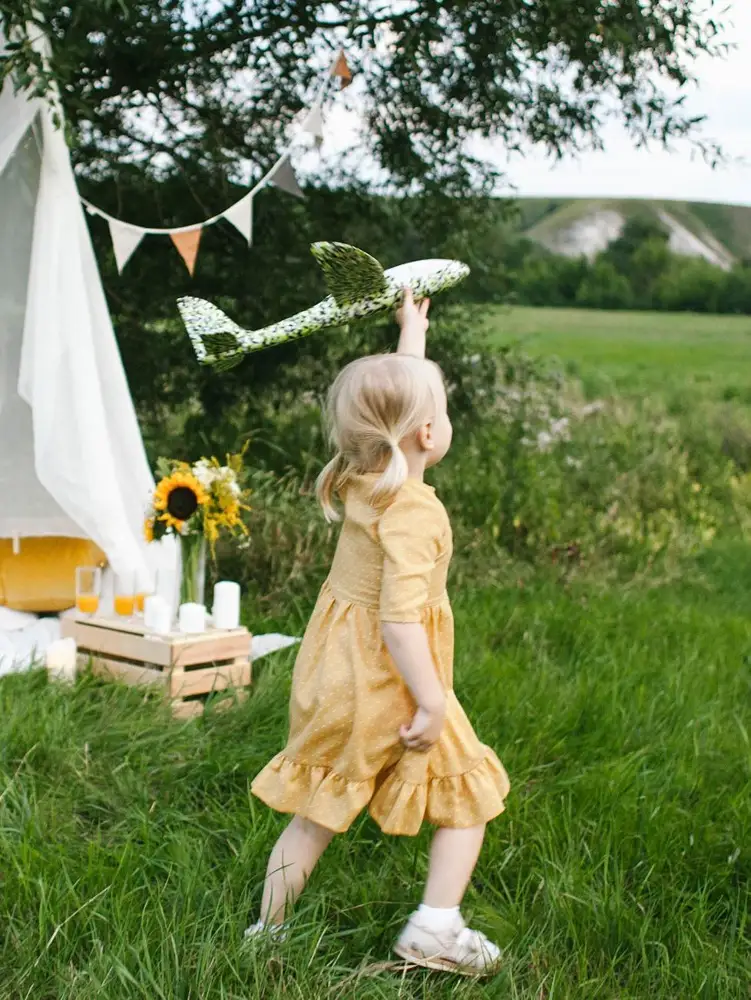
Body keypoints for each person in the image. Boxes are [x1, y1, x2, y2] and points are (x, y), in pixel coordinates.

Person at [248, 290, 510, 976]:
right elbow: (398, 622)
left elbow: (393, 406)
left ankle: (264, 934)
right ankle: (433, 928)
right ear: (428, 435)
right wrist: (428, 702)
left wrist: (410, 337)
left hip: (337, 675)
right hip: (393, 680)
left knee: (315, 811)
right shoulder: (414, 512)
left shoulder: (363, 477)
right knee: (467, 790)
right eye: (441, 413)